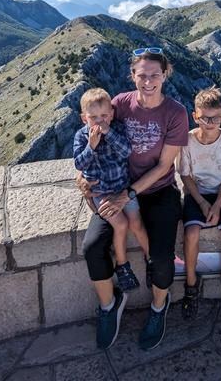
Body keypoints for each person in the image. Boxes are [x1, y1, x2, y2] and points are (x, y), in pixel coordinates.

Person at [77, 47, 188, 351]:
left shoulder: (176, 113)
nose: (148, 81)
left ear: (165, 75)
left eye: (155, 75)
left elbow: (165, 166)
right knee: (92, 247)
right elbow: (94, 137)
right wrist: (83, 178)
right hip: (115, 188)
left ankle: (158, 307)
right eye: (142, 75)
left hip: (157, 190)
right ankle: (108, 305)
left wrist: (130, 193)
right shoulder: (119, 105)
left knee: (163, 257)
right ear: (133, 76)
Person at [73, 87, 149, 293]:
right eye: (93, 117)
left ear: (112, 114)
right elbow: (79, 164)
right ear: (84, 118)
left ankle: (151, 258)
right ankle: (123, 266)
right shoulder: (81, 137)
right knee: (122, 224)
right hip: (102, 193)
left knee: (136, 223)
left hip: (122, 188)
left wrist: (109, 133)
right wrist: (92, 146)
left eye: (104, 116)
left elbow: (126, 151)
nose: (99, 121)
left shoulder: (117, 128)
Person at [177, 86, 221, 320]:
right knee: (192, 233)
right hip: (196, 193)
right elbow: (186, 176)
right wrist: (203, 203)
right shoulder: (187, 142)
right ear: (195, 116)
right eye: (204, 117)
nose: (210, 122)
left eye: (215, 118)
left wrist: (216, 205)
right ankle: (191, 285)